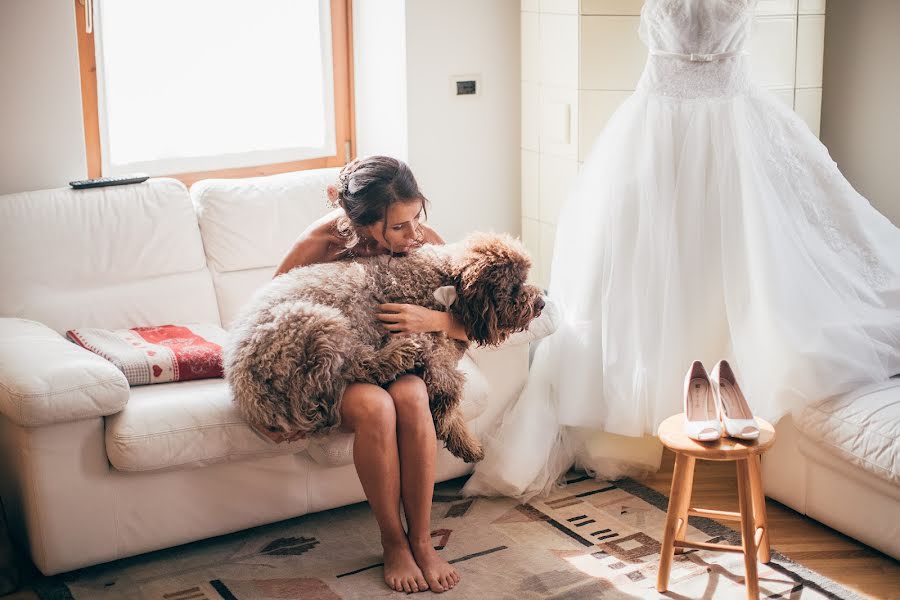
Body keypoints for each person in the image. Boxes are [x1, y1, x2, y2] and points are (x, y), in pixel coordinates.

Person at [464, 0, 900, 500]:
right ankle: (665, 410)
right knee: (649, 280)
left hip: (729, 138)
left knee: (732, 270)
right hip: (660, 138)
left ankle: (713, 397)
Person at [264, 155, 465, 593]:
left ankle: (422, 540)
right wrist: (277, 406)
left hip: (399, 361)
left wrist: (431, 321)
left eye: (417, 218)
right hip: (339, 369)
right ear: (361, 220)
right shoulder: (318, 243)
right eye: (398, 227)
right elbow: (269, 320)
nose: (414, 235)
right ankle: (393, 541)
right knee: (376, 406)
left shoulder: (423, 241)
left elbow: (477, 323)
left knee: (411, 394)